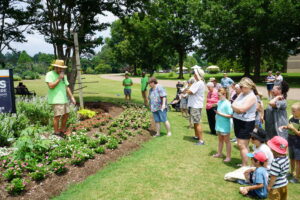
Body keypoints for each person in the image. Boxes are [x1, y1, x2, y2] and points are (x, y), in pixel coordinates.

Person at [45, 60, 76, 137]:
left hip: (64, 99)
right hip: (56, 99)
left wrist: (71, 97)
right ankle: (56, 132)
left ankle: (62, 130)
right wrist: (59, 78)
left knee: (66, 114)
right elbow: (51, 86)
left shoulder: (63, 76)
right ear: (55, 67)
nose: (60, 70)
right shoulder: (50, 74)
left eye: (61, 68)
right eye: (59, 68)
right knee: (57, 116)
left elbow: (66, 87)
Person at [232, 77, 257, 166]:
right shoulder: (242, 94)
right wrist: (236, 108)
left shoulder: (252, 96)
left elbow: (242, 109)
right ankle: (246, 163)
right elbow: (233, 104)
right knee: (244, 145)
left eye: (243, 87)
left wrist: (236, 108)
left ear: (249, 86)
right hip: (238, 120)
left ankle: (244, 166)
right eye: (241, 86)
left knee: (241, 145)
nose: (241, 88)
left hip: (246, 122)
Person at [280, 102, 300, 183]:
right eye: (292, 110)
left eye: (294, 111)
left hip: (298, 142)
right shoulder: (291, 117)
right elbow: (289, 126)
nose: (292, 112)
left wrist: (293, 129)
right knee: (291, 158)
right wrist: (285, 127)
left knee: (298, 160)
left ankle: (297, 177)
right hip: (291, 140)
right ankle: (292, 172)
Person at [184, 68, 205, 145]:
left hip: (196, 105)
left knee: (197, 122)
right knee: (195, 122)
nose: (194, 75)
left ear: (198, 75)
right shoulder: (197, 82)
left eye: (195, 74)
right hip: (194, 105)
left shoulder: (199, 83)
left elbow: (190, 91)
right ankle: (197, 136)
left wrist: (186, 89)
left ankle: (201, 140)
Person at [213, 88, 233, 162]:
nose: (218, 96)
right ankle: (219, 153)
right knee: (220, 140)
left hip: (225, 125)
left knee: (227, 141)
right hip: (219, 124)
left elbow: (231, 115)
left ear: (224, 94)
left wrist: (219, 113)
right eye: (218, 95)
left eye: (219, 95)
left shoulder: (227, 103)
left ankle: (228, 157)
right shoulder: (220, 101)